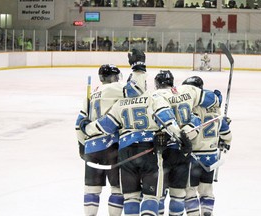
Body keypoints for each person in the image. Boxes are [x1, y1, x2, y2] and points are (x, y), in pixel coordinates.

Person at [80, 50, 193, 216]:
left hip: (126, 154)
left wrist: (86, 128)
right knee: (151, 197)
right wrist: (181, 138)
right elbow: (167, 120)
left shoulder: (120, 104)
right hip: (149, 151)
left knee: (131, 198)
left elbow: (106, 125)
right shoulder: (153, 98)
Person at [153, 70, 223, 216]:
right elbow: (210, 103)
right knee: (179, 193)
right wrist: (217, 101)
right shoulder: (188, 92)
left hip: (164, 151)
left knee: (159, 193)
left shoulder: (155, 96)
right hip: (184, 151)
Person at [75, 64, 125, 216]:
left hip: (92, 147)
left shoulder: (92, 95)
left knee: (92, 189)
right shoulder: (115, 88)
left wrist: (82, 145)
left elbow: (79, 124)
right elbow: (135, 93)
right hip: (112, 146)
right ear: (113, 77)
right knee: (117, 188)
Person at [182, 76, 232, 216]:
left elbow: (191, 132)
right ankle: (206, 213)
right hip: (211, 155)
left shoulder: (193, 107)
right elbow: (225, 131)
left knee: (190, 190)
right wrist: (225, 141)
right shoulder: (215, 108)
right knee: (207, 190)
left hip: (194, 156)